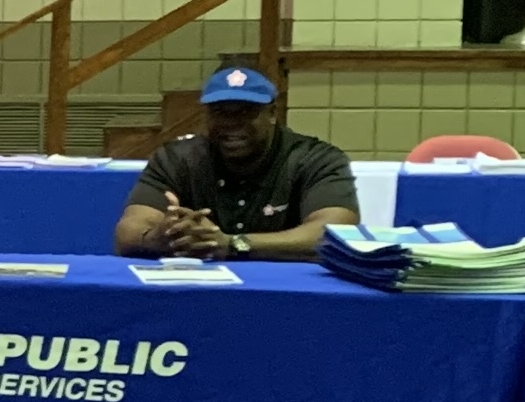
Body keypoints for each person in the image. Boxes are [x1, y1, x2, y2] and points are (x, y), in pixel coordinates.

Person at [115, 65, 358, 260]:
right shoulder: (175, 159)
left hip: (287, 290)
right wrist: (158, 238)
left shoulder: (316, 159)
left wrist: (233, 244)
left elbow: (334, 235)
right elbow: (129, 230)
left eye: (245, 112)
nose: (231, 123)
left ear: (272, 113)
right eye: (220, 112)